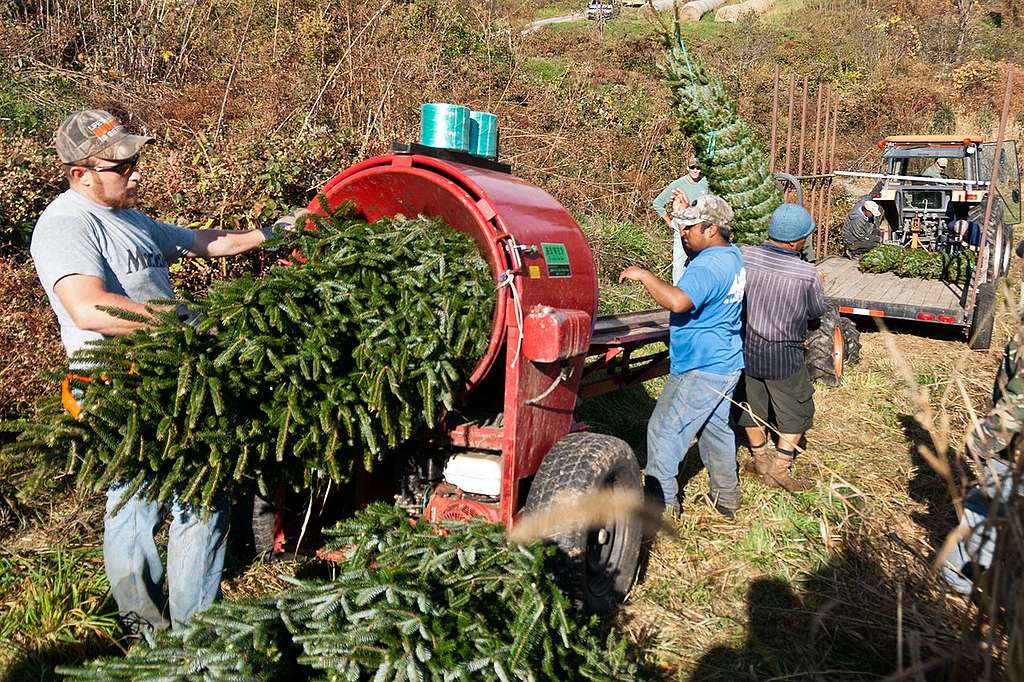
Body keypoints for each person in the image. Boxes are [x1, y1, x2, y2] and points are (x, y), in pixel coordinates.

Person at [30, 109, 303, 637]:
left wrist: (273, 232)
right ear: (80, 173)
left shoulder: (131, 219)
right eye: (121, 165)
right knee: (154, 500)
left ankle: (181, 631)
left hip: (170, 372)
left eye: (135, 160)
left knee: (182, 496)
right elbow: (88, 308)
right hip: (118, 381)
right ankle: (160, 630)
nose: (134, 173)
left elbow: (209, 242)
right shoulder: (67, 224)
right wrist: (186, 320)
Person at [619, 194, 745, 518]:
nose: (683, 232)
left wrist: (645, 276)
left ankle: (661, 509)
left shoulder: (709, 265)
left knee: (663, 431)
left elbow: (678, 301)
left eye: (690, 227)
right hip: (725, 361)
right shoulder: (732, 257)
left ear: (712, 228)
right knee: (716, 430)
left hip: (701, 366)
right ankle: (727, 498)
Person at [736, 204, 828, 492]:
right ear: (795, 241)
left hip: (747, 348)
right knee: (796, 411)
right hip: (784, 355)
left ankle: (759, 460)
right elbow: (816, 312)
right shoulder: (805, 273)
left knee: (751, 405)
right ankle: (780, 469)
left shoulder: (745, 256)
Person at [943, 319, 1024, 594]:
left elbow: (1017, 405)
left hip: (1014, 457)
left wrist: (979, 443)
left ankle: (958, 582)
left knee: (986, 512)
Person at [651, 156, 709, 284]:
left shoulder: (706, 183)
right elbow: (657, 203)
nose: (695, 170)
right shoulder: (678, 184)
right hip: (682, 230)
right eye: (692, 167)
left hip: (700, 230)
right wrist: (670, 222)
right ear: (687, 167)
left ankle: (697, 293)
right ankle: (677, 293)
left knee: (700, 263)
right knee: (678, 264)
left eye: (698, 168)